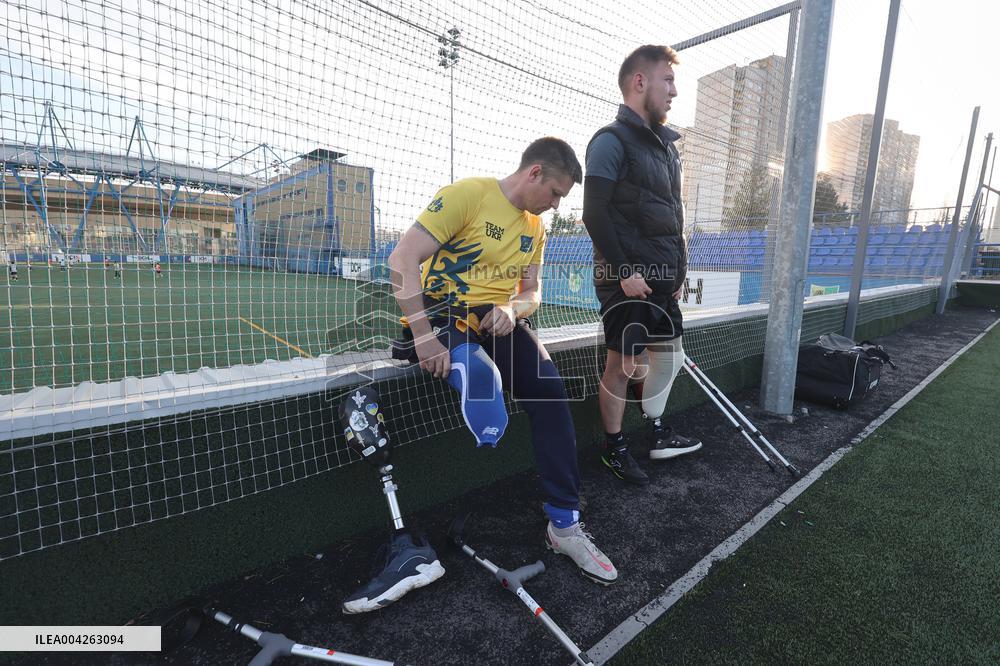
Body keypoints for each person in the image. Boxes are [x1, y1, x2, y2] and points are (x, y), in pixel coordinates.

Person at [341, 138, 617, 615]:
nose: (555, 206)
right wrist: (424, 338)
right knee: (483, 384)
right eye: (554, 193)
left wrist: (513, 307)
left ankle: (564, 527)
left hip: (496, 319)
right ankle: (472, 375)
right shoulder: (468, 195)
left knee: (551, 391)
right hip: (442, 317)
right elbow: (401, 260)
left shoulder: (536, 229)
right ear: (534, 173)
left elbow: (532, 291)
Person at [582, 45, 702, 487]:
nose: (674, 91)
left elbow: (674, 213)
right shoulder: (610, 141)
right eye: (667, 80)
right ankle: (614, 448)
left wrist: (680, 265)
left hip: (662, 279)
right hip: (626, 280)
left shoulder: (668, 149)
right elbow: (594, 213)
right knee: (624, 363)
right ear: (639, 82)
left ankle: (655, 430)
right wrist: (625, 272)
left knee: (666, 356)